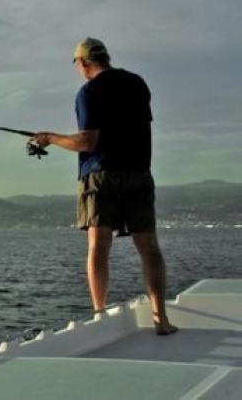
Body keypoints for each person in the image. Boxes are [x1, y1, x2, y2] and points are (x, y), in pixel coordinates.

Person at [31, 37, 178, 335]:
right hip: (139, 172)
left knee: (99, 245)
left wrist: (50, 138)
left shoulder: (89, 92)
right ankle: (160, 318)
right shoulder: (137, 83)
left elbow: (88, 142)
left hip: (100, 175)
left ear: (83, 62)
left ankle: (99, 314)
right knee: (149, 247)